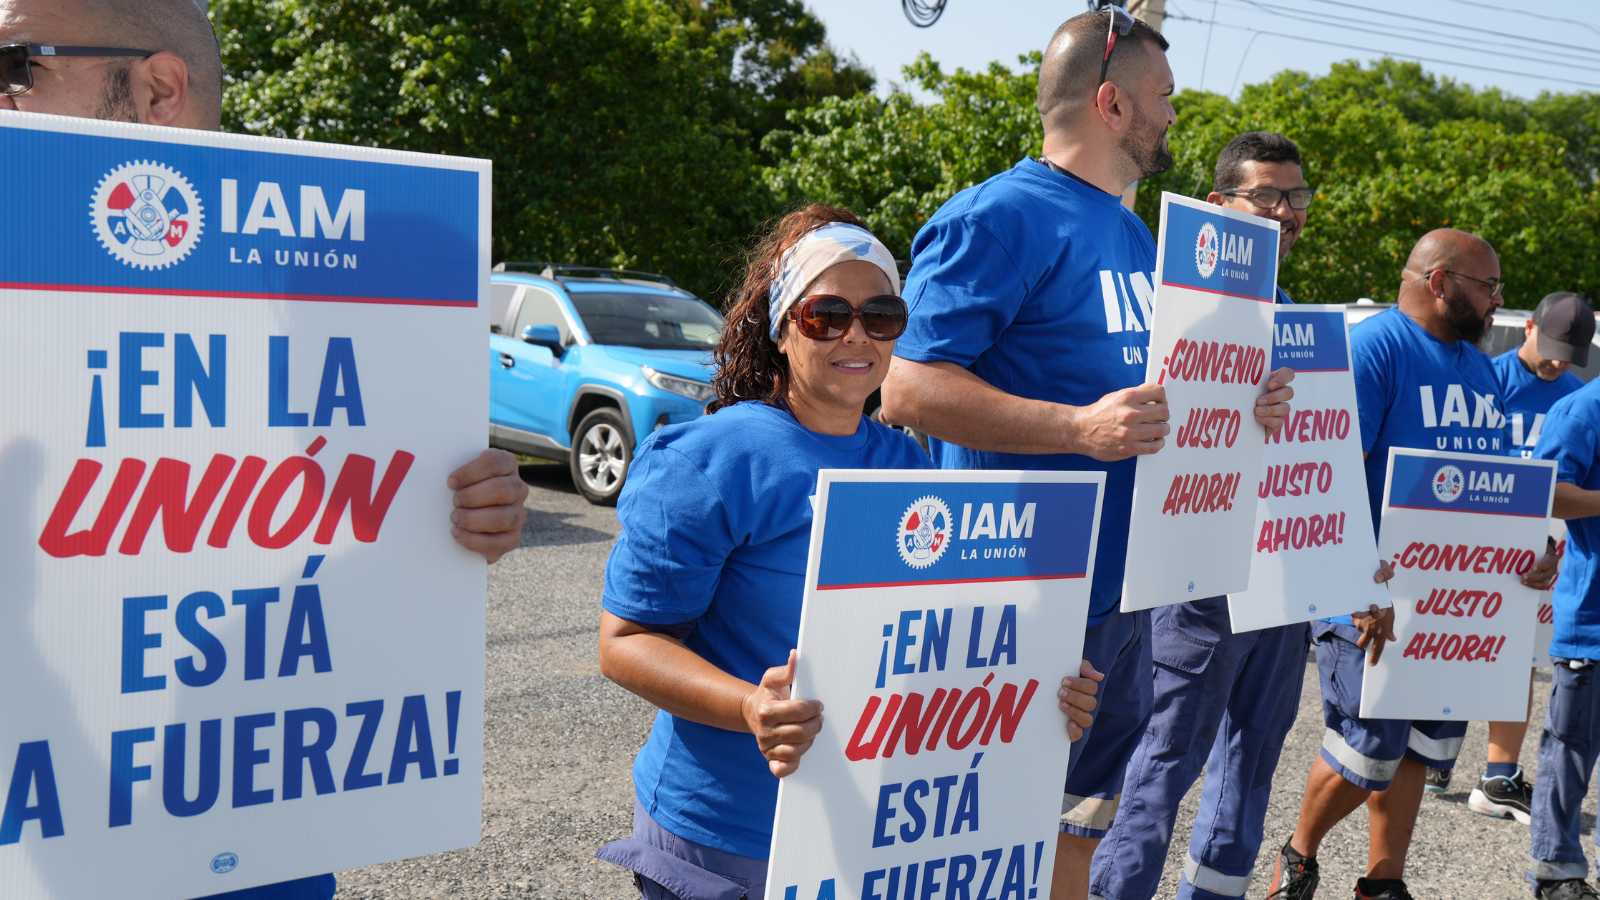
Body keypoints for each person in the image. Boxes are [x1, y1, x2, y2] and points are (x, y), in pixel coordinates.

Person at [0, 2, 532, 898]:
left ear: (160, 88)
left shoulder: (328, 266)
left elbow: (355, 492)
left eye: (17, 66)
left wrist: (466, 505)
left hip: (259, 840)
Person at [877, 14, 1296, 900]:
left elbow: (1152, 400)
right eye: (1164, 99)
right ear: (1111, 103)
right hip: (1016, 592)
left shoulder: (1134, 235)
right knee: (987, 843)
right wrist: (1076, 429)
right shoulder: (999, 217)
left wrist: (1237, 407)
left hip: (1118, 600)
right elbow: (907, 389)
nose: (1176, 116)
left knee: (1078, 828)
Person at [594, 206, 1106, 900]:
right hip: (730, 838)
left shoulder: (907, 463)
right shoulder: (712, 459)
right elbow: (626, 642)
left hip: (870, 829)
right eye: (826, 315)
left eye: (882, 315)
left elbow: (943, 634)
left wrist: (1042, 680)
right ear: (781, 328)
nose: (856, 335)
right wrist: (751, 707)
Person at [1088, 131, 1394, 900]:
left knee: (1252, 765)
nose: (1287, 212)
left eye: (1296, 198)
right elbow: (1147, 427)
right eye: (1268, 196)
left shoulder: (1293, 314)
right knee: (1163, 764)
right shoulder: (1173, 302)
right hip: (1196, 585)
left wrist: (1351, 565)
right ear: (1220, 204)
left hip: (1282, 579)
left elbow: (1321, 459)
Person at [1265, 229, 1557, 900]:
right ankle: (1299, 856)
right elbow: (1330, 476)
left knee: (1421, 753)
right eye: (1489, 288)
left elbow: (1497, 482)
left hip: (1453, 603)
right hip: (1370, 598)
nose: (1497, 302)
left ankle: (1383, 881)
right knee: (1368, 748)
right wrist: (1356, 589)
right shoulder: (1374, 351)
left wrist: (1532, 549)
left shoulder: (1481, 369)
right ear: (1440, 283)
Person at [1453, 292, 1593, 826]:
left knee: (1516, 660)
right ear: (1528, 328)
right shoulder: (1489, 378)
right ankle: (1435, 753)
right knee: (1450, 648)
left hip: (1539, 549)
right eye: (1552, 348)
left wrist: (1555, 546)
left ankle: (1498, 774)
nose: (1558, 363)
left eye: (1569, 355)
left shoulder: (1576, 397)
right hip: (1472, 537)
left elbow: (1567, 487)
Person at [1529, 365, 1600, 900]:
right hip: (1592, 623)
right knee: (1570, 751)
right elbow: (1545, 495)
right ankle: (1557, 873)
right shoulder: (1581, 409)